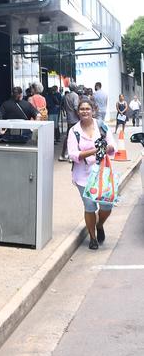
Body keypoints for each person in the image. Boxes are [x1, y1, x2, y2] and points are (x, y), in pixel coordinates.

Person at [67, 99, 116, 250]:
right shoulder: (74, 131)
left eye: (87, 108)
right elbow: (73, 155)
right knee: (89, 206)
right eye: (82, 109)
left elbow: (112, 146)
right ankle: (93, 238)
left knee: (107, 205)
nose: (85, 111)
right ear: (78, 112)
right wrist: (95, 150)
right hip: (83, 175)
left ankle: (99, 225)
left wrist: (107, 148)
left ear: (93, 110)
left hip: (102, 172)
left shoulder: (101, 126)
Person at [59, 83, 80, 161]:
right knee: (76, 137)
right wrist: (79, 116)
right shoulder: (75, 96)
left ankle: (62, 154)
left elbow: (64, 107)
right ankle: (72, 156)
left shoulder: (66, 96)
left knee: (68, 137)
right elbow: (75, 107)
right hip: (75, 119)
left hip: (69, 119)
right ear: (75, 88)